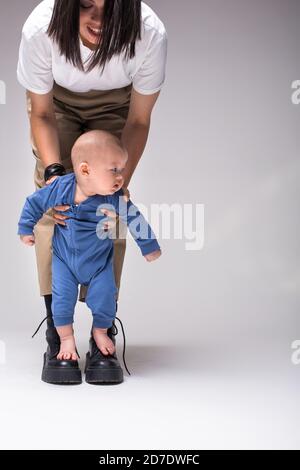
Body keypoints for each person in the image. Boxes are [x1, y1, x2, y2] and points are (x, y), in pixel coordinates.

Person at [17, 0, 168, 383]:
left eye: (111, 7)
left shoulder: (149, 33)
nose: (98, 19)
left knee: (108, 214)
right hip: (56, 105)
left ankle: (103, 328)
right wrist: (54, 175)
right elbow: (41, 112)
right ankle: (58, 328)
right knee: (56, 206)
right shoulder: (41, 28)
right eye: (85, 5)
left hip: (117, 104)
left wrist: (118, 185)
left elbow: (138, 119)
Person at [18, 130, 161, 384]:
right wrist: (26, 228)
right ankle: (64, 340)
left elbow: (134, 217)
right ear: (85, 171)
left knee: (105, 296)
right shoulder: (61, 187)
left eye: (122, 169)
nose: (120, 177)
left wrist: (148, 246)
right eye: (114, 170)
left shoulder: (113, 197)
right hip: (65, 263)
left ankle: (100, 333)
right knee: (61, 304)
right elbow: (34, 203)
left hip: (99, 264)